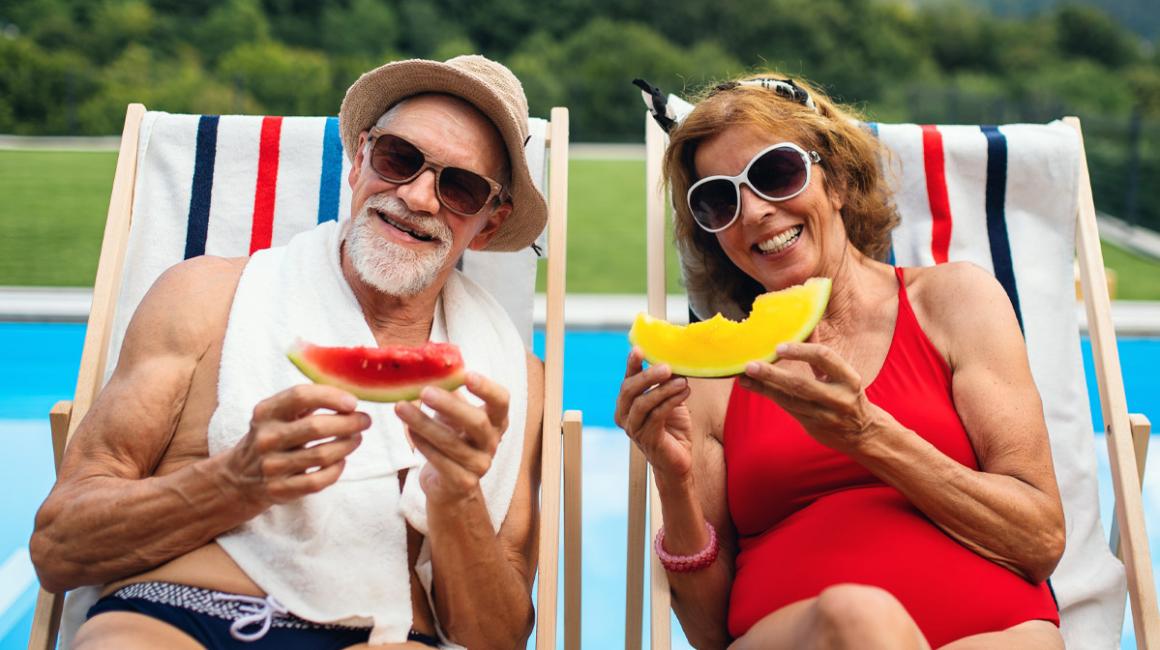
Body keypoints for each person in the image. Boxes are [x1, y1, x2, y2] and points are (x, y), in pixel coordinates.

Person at [30, 55, 546, 650]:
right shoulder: (202, 297)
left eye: (460, 188)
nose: (419, 196)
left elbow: (497, 638)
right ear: (359, 160)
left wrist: (457, 496)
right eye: (398, 158)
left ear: (489, 224)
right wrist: (231, 482)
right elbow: (58, 548)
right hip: (173, 617)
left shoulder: (511, 381)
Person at [616, 74, 1065, 649]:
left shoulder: (956, 302)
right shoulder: (707, 381)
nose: (753, 212)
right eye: (719, 200)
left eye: (776, 173)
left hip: (999, 636)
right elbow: (708, 632)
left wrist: (867, 434)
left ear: (839, 181)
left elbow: (1039, 541)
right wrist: (674, 481)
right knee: (858, 618)